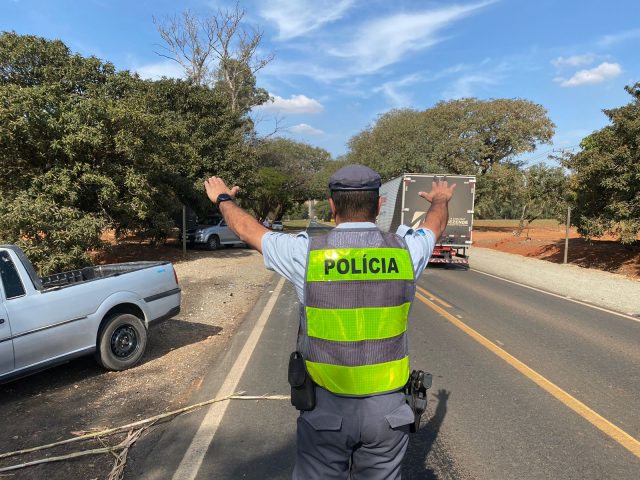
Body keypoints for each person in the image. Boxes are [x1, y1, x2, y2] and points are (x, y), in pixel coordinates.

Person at [204, 165, 455, 479]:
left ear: (332, 206)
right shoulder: (406, 251)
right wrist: (440, 199)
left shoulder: (307, 254)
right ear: (379, 206)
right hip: (389, 414)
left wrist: (223, 198)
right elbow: (435, 225)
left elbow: (247, 230)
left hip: (327, 411)